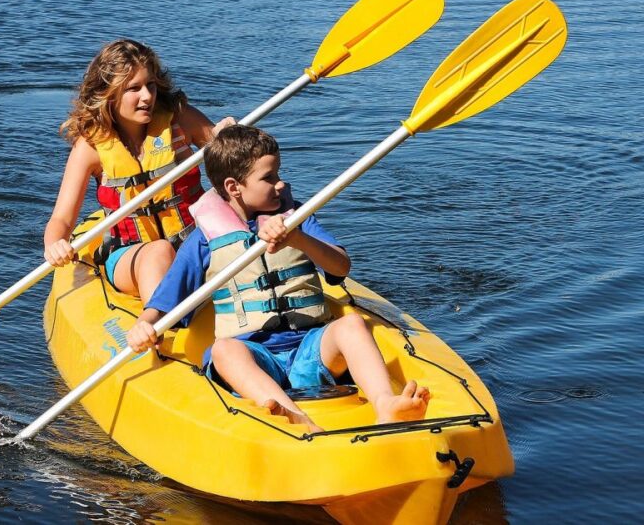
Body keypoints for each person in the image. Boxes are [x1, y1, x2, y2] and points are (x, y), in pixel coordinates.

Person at [126, 125, 430, 432]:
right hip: (254, 355)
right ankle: (294, 417)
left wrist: (298, 239)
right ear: (234, 187)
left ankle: (385, 403)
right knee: (223, 351)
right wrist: (144, 324)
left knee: (352, 325)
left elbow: (340, 267)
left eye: (278, 173)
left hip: (310, 347)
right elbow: (166, 299)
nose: (280, 184)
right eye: (268, 177)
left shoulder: (297, 217)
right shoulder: (204, 239)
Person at [44, 39, 233, 303]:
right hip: (131, 253)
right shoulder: (90, 148)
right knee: (158, 252)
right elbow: (62, 219)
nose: (147, 96)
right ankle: (160, 328)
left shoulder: (180, 120)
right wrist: (54, 245)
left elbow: (232, 161)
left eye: (151, 85)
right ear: (108, 95)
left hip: (194, 241)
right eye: (134, 88)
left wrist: (227, 137)